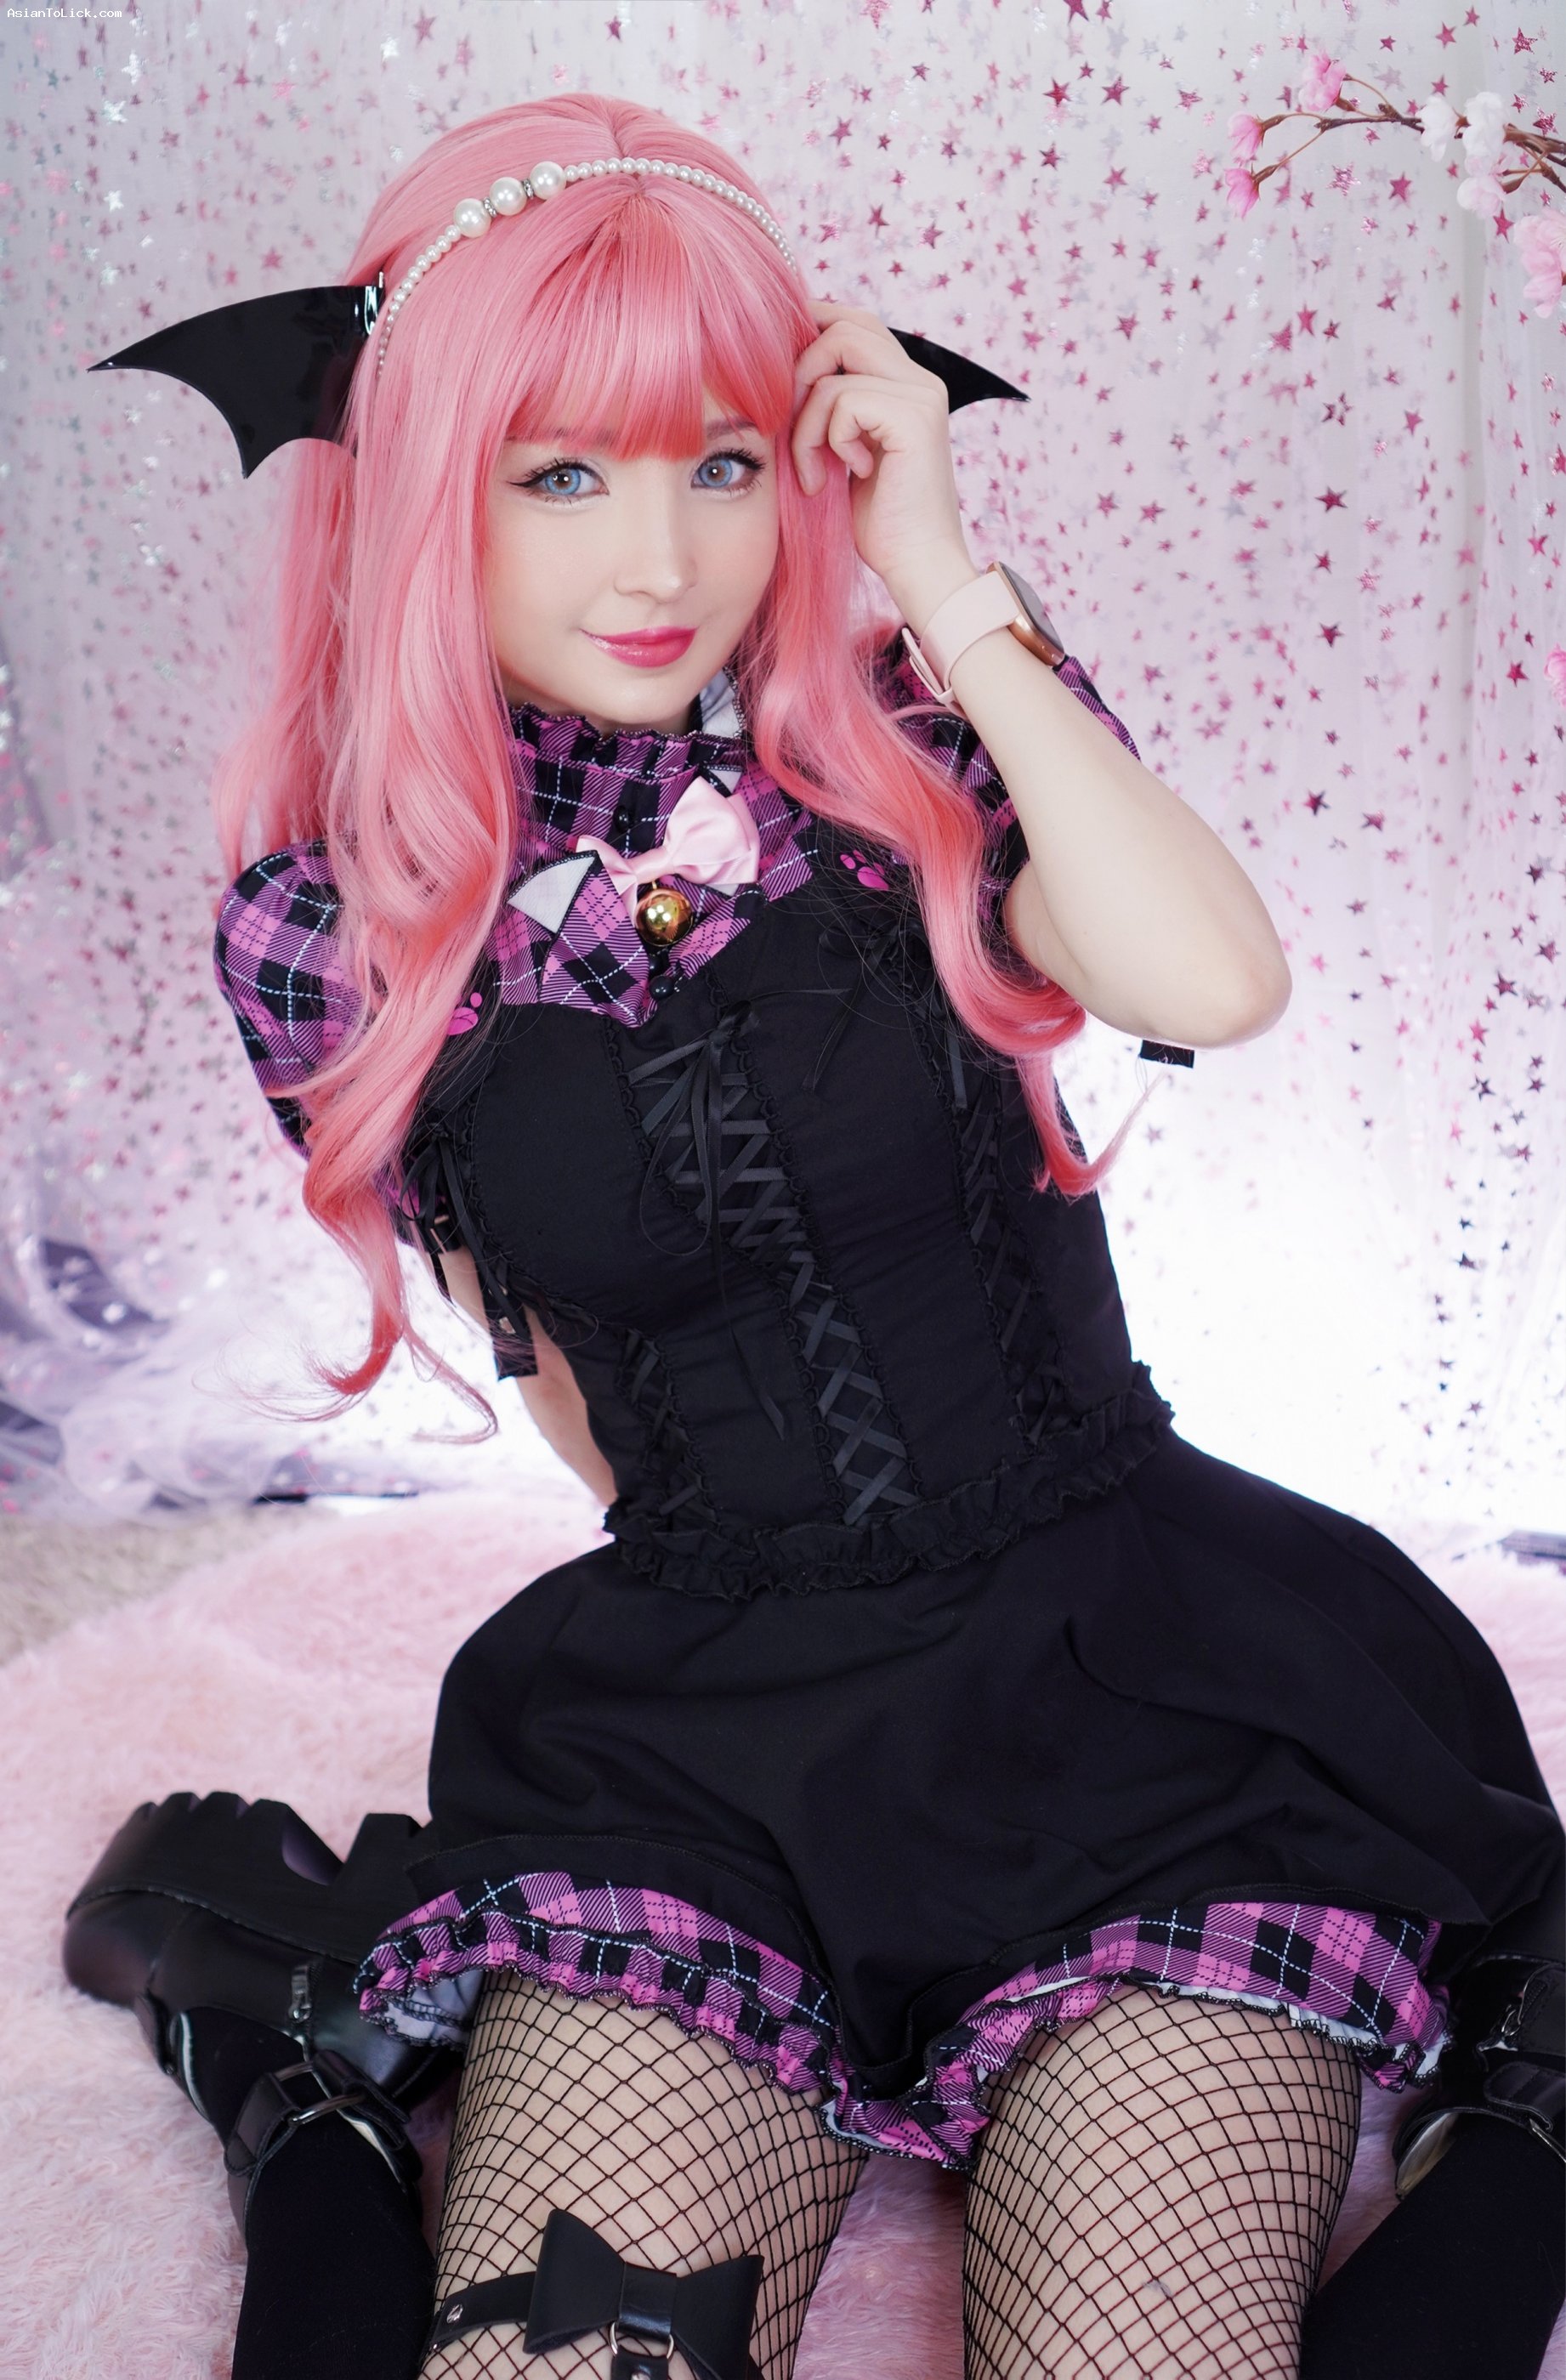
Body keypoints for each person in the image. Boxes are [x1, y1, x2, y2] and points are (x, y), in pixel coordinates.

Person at [66, 91, 1563, 2380]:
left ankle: (1530, 2107)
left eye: (725, 460)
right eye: (560, 475)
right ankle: (305, 2105)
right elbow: (559, 1367)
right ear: (424, 483)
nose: (660, 550)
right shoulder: (324, 933)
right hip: (697, 1759)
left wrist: (945, 581)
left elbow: (1214, 981)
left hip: (1141, 1711)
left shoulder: (913, 749)